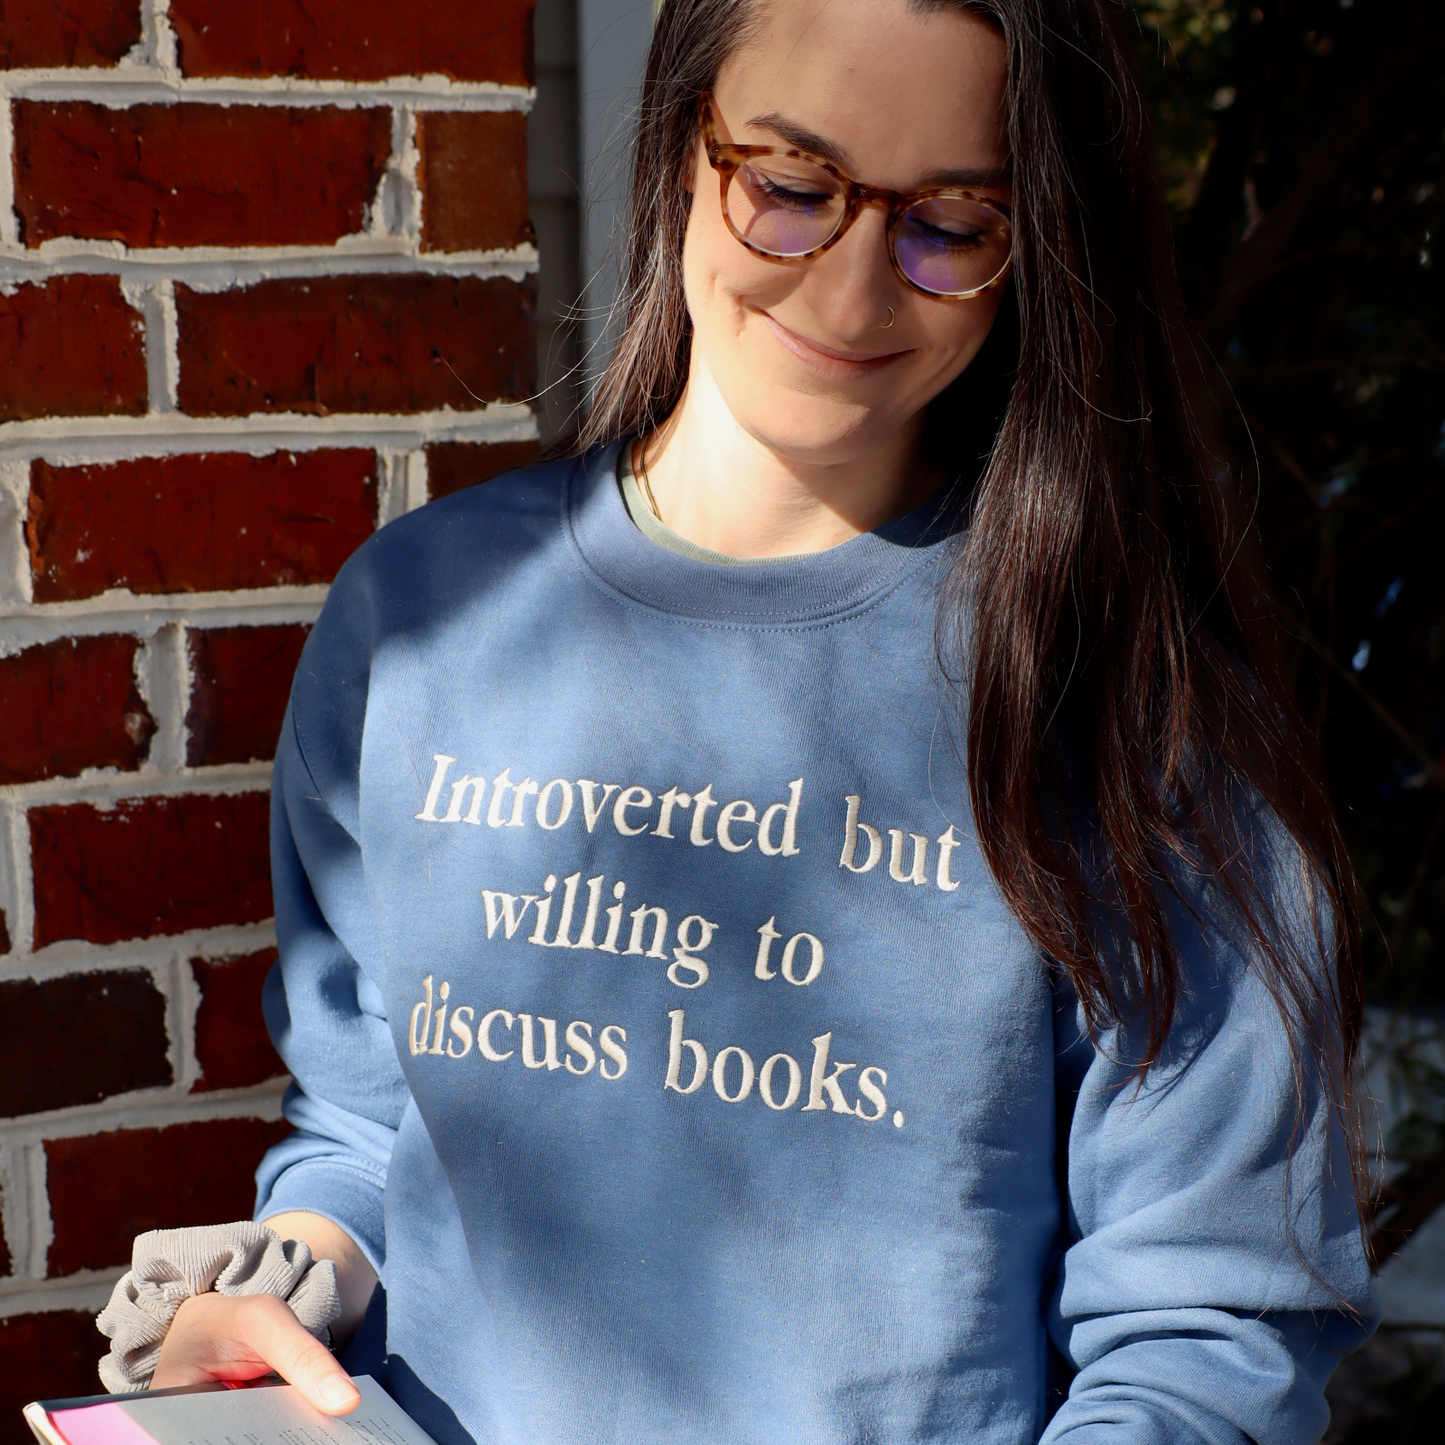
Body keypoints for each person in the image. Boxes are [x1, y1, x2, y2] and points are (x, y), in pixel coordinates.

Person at [117, 0, 1376, 1439]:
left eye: (953, 224)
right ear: (675, 151)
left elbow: (1206, 1341)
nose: (849, 297)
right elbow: (368, 1126)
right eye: (789, 189)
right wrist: (291, 1287)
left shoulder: (1127, 706)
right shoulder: (420, 620)